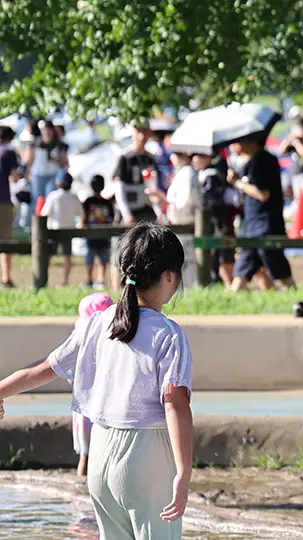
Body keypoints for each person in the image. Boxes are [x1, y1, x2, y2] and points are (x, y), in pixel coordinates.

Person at [0, 222, 194, 539]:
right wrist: (184, 471)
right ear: (170, 276)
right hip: (146, 457)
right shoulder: (168, 335)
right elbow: (175, 403)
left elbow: (47, 367)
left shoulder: (99, 322)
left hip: (100, 457)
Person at [229, 138, 296, 292]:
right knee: (241, 272)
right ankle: (226, 305)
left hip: (265, 226)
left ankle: (296, 300)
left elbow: (262, 193)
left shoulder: (263, 161)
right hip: (252, 226)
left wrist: (237, 182)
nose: (235, 145)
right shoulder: (252, 162)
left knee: (280, 271)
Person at [72, 292, 114, 476]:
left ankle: (81, 489)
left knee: (85, 456)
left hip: (83, 408)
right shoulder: (115, 341)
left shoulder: (80, 340)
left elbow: (71, 376)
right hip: (105, 408)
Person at [147, 153, 200, 288]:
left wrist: (162, 199)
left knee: (186, 262)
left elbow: (184, 203)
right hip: (179, 224)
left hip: (185, 224)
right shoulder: (184, 173)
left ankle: (187, 291)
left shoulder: (188, 174)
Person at [194, 153, 237, 286]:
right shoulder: (206, 174)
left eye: (198, 156)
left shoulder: (211, 175)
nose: (194, 160)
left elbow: (212, 201)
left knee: (221, 255)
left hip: (217, 221)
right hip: (216, 221)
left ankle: (228, 285)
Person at [41, 173, 83, 287]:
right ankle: (65, 280)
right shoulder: (74, 197)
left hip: (54, 230)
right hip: (68, 230)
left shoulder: (53, 196)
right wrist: (79, 224)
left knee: (48, 255)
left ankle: (44, 278)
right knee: (67, 256)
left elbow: (44, 213)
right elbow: (81, 214)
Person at [113, 124, 160, 224]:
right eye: (139, 132)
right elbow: (118, 188)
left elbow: (152, 188)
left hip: (146, 211)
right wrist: (126, 213)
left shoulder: (150, 159)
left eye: (145, 132)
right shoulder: (125, 157)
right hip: (128, 212)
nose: (142, 137)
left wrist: (158, 211)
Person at [24, 120, 70, 217]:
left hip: (53, 174)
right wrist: (27, 173)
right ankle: (37, 219)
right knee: (38, 198)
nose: (47, 132)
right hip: (38, 174)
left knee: (51, 196)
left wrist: (55, 160)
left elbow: (64, 163)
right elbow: (30, 160)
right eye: (45, 130)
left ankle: (50, 219)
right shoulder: (36, 143)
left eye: (49, 130)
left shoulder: (58, 144)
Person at [82, 175, 115, 289]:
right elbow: (111, 218)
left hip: (91, 234)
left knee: (90, 257)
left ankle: (90, 279)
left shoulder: (88, 201)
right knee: (102, 258)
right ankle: (100, 279)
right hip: (103, 234)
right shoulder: (107, 202)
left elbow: (83, 217)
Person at [0, 126, 21, 288]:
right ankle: (6, 278)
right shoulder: (9, 152)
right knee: (5, 240)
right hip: (3, 200)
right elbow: (14, 177)